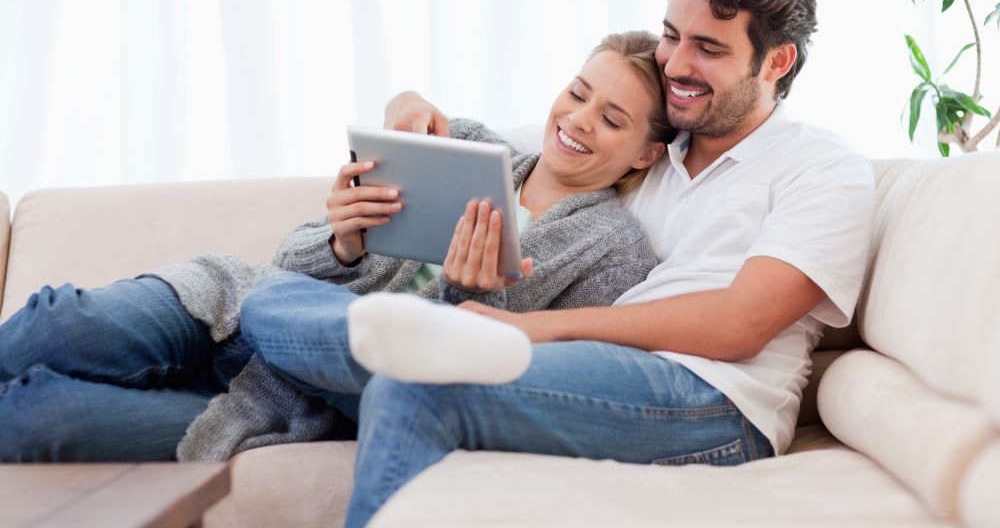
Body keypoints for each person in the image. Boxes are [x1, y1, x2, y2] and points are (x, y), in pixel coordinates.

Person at [237, 0, 876, 528]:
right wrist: (405, 104)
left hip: (714, 401)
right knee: (282, 305)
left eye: (708, 49)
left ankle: (364, 341)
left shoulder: (823, 169)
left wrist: (534, 328)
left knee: (418, 377)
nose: (676, 63)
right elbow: (509, 141)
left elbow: (740, 325)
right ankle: (339, 333)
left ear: (777, 61)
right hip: (592, 370)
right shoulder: (650, 142)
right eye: (671, 35)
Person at [0, 31, 672, 462]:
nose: (578, 119)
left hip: (301, 394)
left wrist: (468, 297)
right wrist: (343, 239)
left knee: (38, 417)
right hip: (235, 305)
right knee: (59, 317)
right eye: (578, 93)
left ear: (647, 150)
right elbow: (292, 265)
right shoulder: (468, 144)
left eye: (611, 118)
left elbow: (526, 384)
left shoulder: (612, 252)